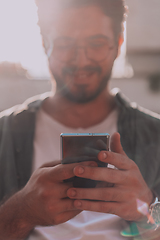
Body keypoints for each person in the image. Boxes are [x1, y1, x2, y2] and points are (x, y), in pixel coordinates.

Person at [0, 0, 160, 239]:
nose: (81, 61)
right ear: (45, 44)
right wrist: (22, 211)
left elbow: (150, 219)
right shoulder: (3, 133)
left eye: (96, 44)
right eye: (65, 44)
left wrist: (146, 208)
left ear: (118, 44)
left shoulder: (157, 136)